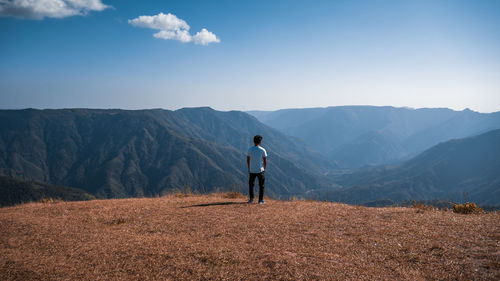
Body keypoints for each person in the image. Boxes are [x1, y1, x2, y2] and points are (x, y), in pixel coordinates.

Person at [247, 135, 267, 204]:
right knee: (261, 185)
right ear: (260, 141)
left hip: (252, 170)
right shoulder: (262, 150)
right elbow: (264, 160)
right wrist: (264, 168)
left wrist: (249, 168)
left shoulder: (250, 149)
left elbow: (248, 159)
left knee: (251, 185)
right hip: (260, 170)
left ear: (253, 141)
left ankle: (251, 199)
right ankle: (260, 200)